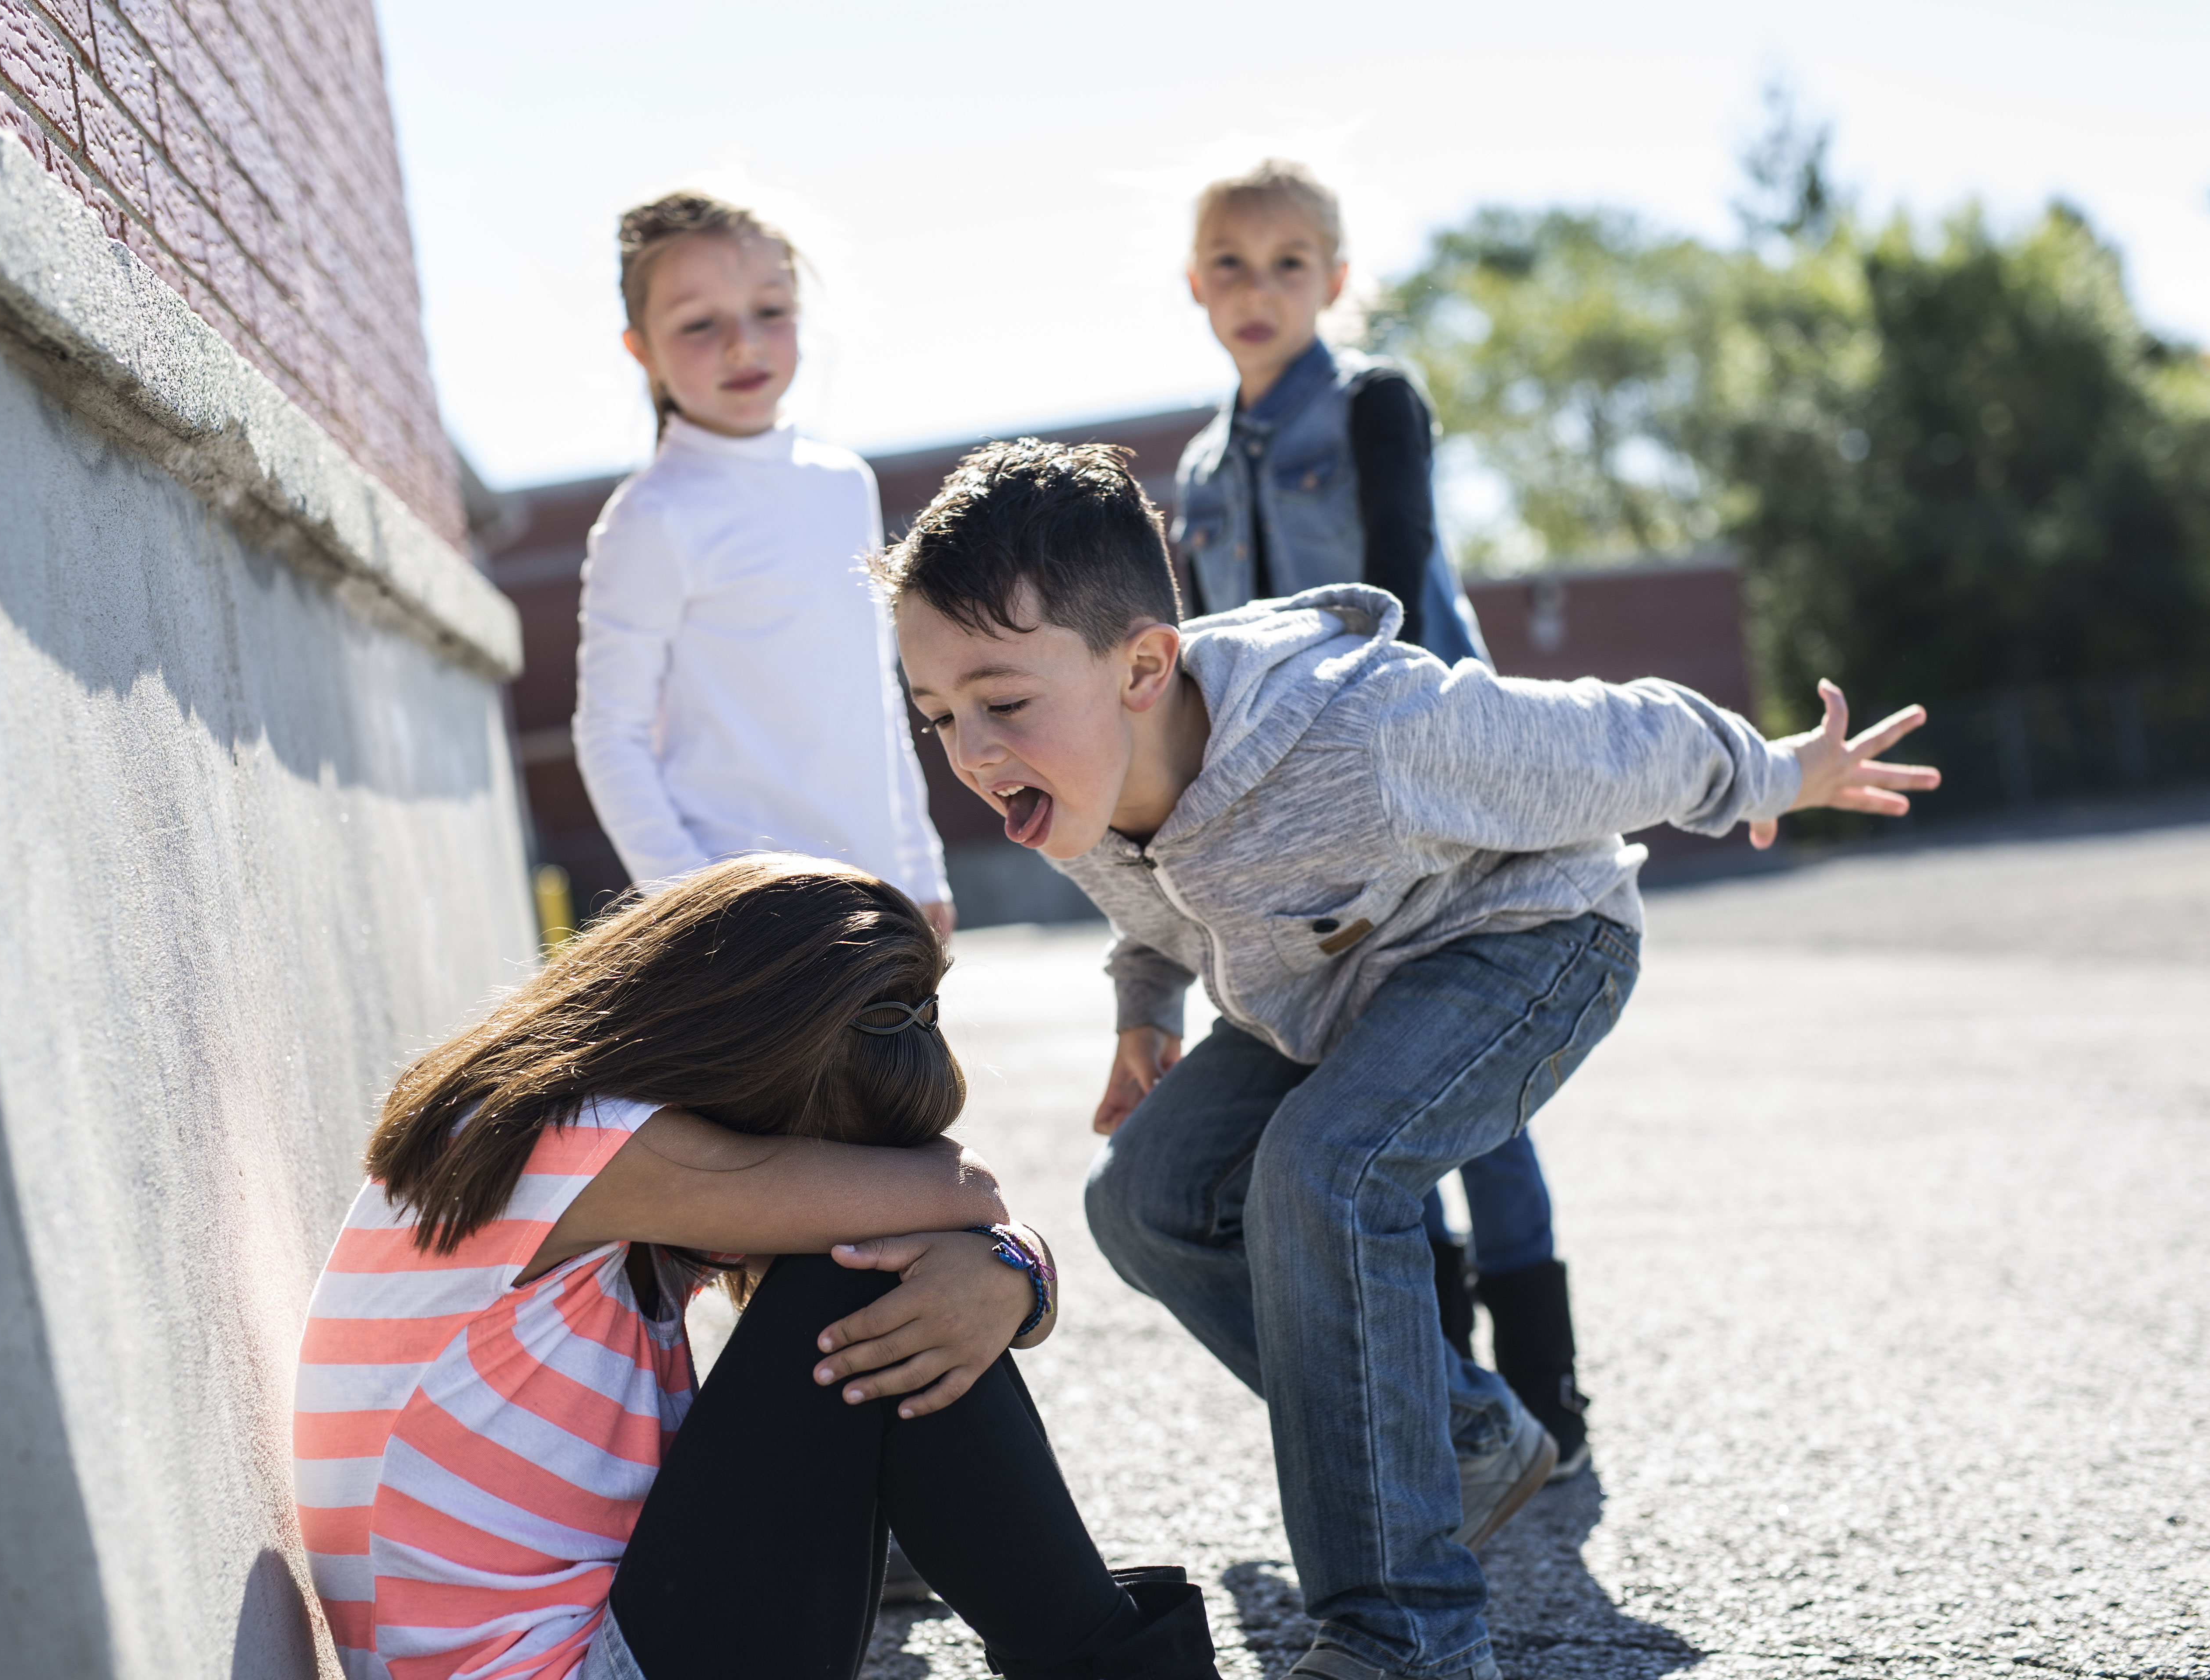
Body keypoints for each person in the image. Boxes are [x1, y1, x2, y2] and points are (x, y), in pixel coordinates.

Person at [876, 441, 1936, 1680]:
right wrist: (1144, 1012)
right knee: (1144, 1203)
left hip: (1530, 942)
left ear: (1143, 668)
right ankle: (1463, 1437)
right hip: (1332, 993)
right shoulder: (1068, 775)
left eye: (1000, 701)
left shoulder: (1366, 730)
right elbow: (1153, 910)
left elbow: (1613, 737)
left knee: (1324, 1171)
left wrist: (1774, 771)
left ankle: (1411, 1634)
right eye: (937, 715)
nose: (972, 750)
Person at [292, 855, 1221, 1680]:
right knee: (863, 1277)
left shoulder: (563, 1149)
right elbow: (965, 1190)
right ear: (747, 1066)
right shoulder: (576, 1145)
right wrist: (1003, 1258)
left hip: (597, 1643)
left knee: (890, 1278)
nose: (834, 1188)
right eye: (826, 1156)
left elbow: (969, 1220)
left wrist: (1015, 1273)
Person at [1171, 159, 1581, 1472]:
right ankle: (1456, 1403)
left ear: (1337, 282)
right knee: (1365, 1086)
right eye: (1231, 263)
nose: (1259, 287)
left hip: (1432, 786)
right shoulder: (1195, 466)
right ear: (1195, 284)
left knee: (1476, 1098)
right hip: (1296, 824)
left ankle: (1548, 1392)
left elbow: (1399, 576)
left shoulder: (1372, 405)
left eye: (1291, 262)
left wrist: (1405, 751)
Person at [572, 192, 954, 940]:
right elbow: (609, 733)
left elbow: (876, 697)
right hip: (748, 926)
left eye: (770, 311)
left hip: (879, 900)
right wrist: (696, 903)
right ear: (641, 348)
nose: (743, 344)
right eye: (698, 324)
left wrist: (920, 868)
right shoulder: (651, 517)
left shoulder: (845, 483)